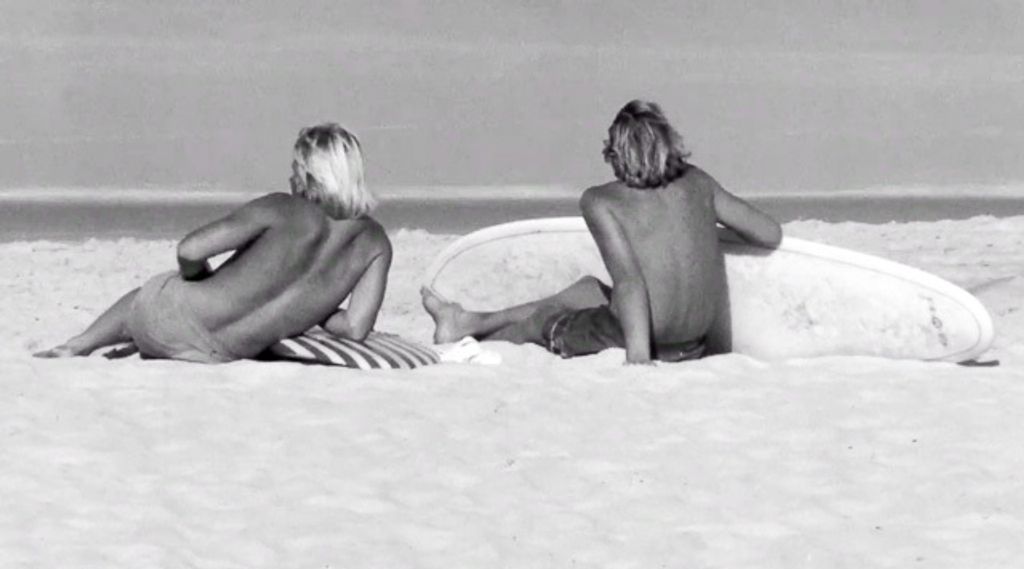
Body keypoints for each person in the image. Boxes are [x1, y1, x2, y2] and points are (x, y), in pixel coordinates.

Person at [422, 100, 782, 364]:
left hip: (647, 343)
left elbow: (630, 283)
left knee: (542, 321)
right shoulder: (699, 182)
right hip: (693, 343)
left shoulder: (601, 201)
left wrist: (638, 360)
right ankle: (469, 320)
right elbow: (769, 233)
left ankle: (470, 344)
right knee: (587, 290)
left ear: (616, 153)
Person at [36, 123, 391, 363]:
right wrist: (315, 304)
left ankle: (78, 345)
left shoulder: (281, 207)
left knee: (155, 293)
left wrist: (200, 277)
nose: (290, 178)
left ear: (310, 176)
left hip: (161, 326)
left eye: (296, 170)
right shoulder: (375, 243)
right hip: (217, 356)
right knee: (174, 305)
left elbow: (189, 250)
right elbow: (355, 329)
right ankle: (119, 340)